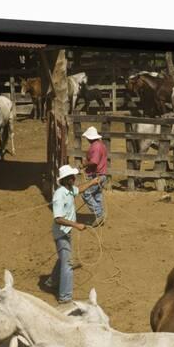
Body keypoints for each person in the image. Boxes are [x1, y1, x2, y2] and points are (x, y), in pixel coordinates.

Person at [47, 164, 100, 304]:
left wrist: (93, 182)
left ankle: (52, 281)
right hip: (61, 233)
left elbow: (79, 189)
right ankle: (65, 297)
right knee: (67, 262)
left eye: (73, 176)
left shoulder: (70, 189)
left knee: (63, 258)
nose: (74, 178)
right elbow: (58, 219)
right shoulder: (59, 194)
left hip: (66, 232)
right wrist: (76, 225)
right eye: (71, 177)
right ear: (65, 179)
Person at [79, 126, 108, 227]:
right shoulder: (101, 145)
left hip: (96, 175)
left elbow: (94, 162)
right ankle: (100, 216)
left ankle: (99, 214)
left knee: (85, 193)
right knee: (97, 196)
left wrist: (84, 164)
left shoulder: (95, 147)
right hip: (102, 174)